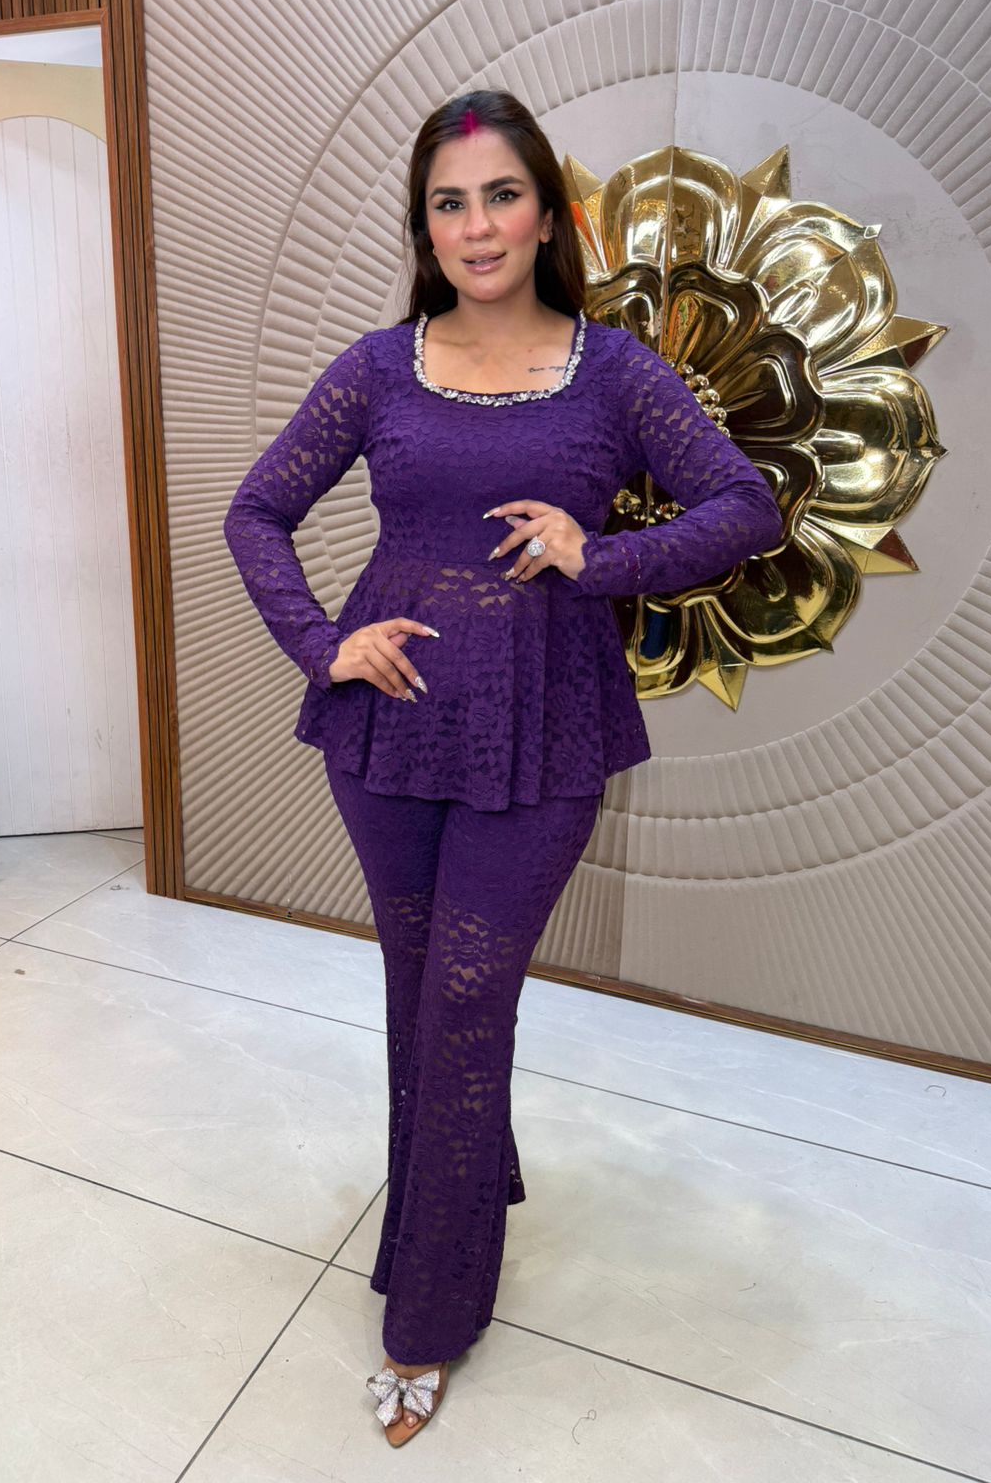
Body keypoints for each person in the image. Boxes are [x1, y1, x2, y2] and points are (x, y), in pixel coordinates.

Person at [223, 88, 784, 1446]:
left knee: (469, 998)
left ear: (547, 215)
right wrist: (324, 644)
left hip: (547, 729)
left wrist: (606, 555)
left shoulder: (616, 374)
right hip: (391, 733)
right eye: (448, 202)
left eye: (501, 196)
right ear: (425, 226)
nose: (476, 227)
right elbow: (258, 512)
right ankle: (462, 1197)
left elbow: (745, 506)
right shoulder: (379, 367)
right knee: (421, 997)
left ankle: (426, 1318)